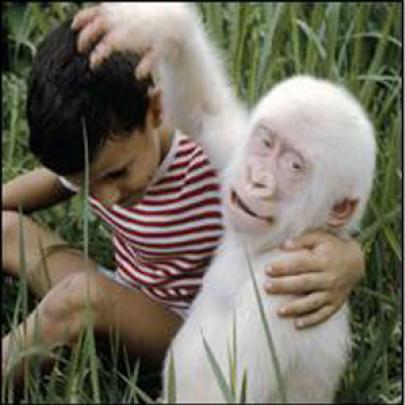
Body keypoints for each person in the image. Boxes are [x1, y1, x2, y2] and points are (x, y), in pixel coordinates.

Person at [2, 6, 364, 383]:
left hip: (195, 333)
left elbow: (313, 213)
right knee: (6, 230)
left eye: (116, 174)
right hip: (126, 294)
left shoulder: (217, 158)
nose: (105, 197)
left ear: (155, 109)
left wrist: (349, 259)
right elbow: (52, 181)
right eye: (86, 185)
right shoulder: (95, 162)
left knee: (81, 297)